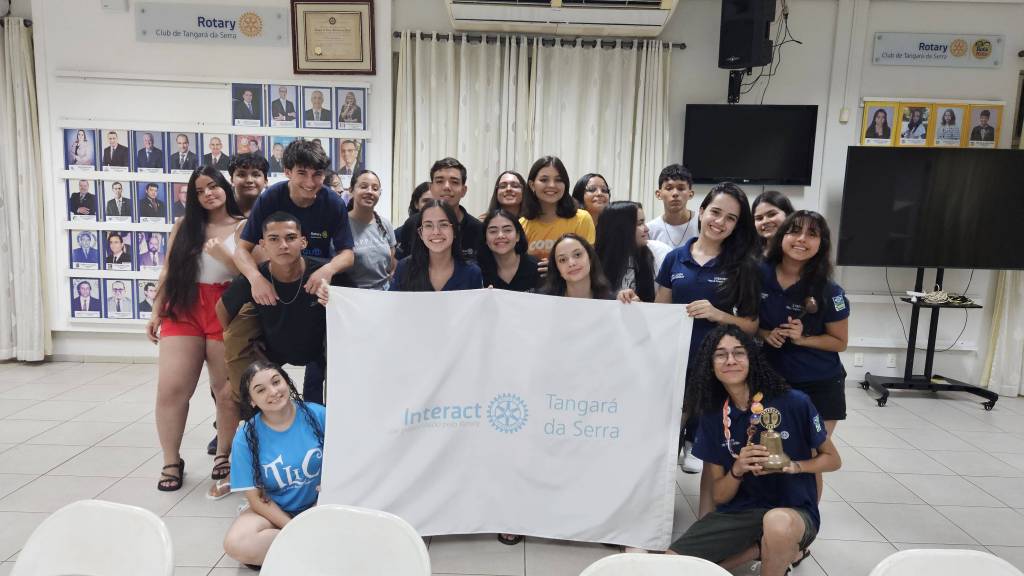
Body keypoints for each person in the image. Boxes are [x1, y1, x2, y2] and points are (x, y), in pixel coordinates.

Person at [665, 325, 841, 576]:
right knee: (671, 565)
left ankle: (777, 552)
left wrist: (794, 466)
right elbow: (720, 497)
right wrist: (737, 470)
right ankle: (758, 548)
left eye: (738, 353)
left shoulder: (794, 402)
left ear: (751, 358)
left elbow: (833, 459)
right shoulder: (713, 416)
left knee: (776, 523)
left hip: (793, 511)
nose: (730, 360)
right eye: (720, 354)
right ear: (710, 365)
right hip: (741, 512)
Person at [231, 140, 354, 405]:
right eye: (302, 173)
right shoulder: (271, 198)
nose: (310, 182)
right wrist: (256, 279)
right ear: (287, 171)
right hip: (275, 285)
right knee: (242, 349)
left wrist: (329, 268)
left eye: (317, 174)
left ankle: (321, 417)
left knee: (325, 360)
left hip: (314, 285)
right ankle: (246, 416)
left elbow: (348, 253)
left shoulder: (332, 202)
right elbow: (241, 250)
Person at [147, 166, 245, 496]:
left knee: (225, 390)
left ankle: (224, 455)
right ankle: (171, 460)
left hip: (225, 304)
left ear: (225, 187)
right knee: (171, 388)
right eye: (200, 190)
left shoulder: (243, 225)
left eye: (213, 186)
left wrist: (225, 255)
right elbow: (168, 270)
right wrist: (156, 311)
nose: (208, 194)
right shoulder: (183, 226)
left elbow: (249, 273)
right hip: (184, 303)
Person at [655, 182, 760, 480]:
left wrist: (718, 315)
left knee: (711, 454)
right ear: (701, 212)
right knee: (663, 443)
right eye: (715, 212)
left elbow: (752, 326)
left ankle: (707, 504)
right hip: (675, 363)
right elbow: (660, 311)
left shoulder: (742, 266)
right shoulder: (675, 258)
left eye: (731, 218)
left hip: (716, 369)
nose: (720, 222)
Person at [759, 211, 848, 499]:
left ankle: (805, 521)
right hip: (773, 381)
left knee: (809, 456)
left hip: (819, 385)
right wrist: (765, 333)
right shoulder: (758, 274)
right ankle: (769, 515)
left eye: (812, 234)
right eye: (794, 231)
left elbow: (840, 342)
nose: (801, 239)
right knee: (769, 450)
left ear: (821, 244)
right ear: (781, 236)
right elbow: (749, 321)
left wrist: (804, 338)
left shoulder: (829, 290)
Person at [218, 212, 347, 410]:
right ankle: (246, 426)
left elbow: (354, 309)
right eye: (274, 239)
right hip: (272, 347)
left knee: (343, 390)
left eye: (291, 238)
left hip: (319, 347)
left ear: (303, 242)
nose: (283, 245)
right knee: (229, 394)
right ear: (263, 244)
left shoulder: (325, 274)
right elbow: (222, 309)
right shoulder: (254, 279)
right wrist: (248, 342)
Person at [222, 361, 326, 569]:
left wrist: (324, 498)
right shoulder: (245, 437)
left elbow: (345, 462)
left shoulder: (318, 414)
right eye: (261, 390)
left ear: (287, 382)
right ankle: (317, 550)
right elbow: (256, 499)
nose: (273, 392)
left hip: (321, 505)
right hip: (277, 512)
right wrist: (293, 527)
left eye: (276, 382)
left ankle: (298, 554)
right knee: (236, 543)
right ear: (252, 401)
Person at [520, 156, 596, 271]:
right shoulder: (522, 224)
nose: (552, 185)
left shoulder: (581, 219)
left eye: (558, 180)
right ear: (532, 185)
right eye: (544, 180)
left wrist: (557, 267)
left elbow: (589, 262)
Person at [390, 200, 483, 292]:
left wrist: (488, 295)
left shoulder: (472, 273)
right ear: (420, 233)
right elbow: (393, 301)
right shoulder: (404, 268)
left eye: (443, 225)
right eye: (428, 225)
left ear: (454, 230)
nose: (436, 232)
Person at [597, 201, 666, 302]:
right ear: (621, 228)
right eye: (639, 224)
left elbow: (656, 305)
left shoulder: (656, 253)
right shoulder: (593, 260)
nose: (646, 229)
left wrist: (639, 304)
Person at [347, 169, 397, 290]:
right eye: (363, 187)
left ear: (380, 193)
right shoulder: (342, 224)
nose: (370, 192)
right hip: (352, 295)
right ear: (351, 191)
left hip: (383, 295)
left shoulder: (385, 224)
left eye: (375, 188)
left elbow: (391, 264)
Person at [429, 157, 483, 262]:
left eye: (454, 182)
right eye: (439, 181)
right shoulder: (414, 224)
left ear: (463, 190)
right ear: (431, 188)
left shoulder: (478, 230)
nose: (446, 187)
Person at [479, 209, 539, 292]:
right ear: (485, 238)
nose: (500, 235)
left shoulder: (538, 268)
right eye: (493, 231)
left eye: (507, 230)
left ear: (518, 236)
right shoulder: (477, 271)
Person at [540, 234, 611, 299]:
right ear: (557, 268)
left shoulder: (612, 302)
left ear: (590, 258)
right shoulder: (543, 300)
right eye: (563, 260)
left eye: (577, 255)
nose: (571, 263)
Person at [647, 164, 699, 249]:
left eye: (681, 188)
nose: (675, 193)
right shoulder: (650, 230)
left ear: (691, 194)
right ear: (658, 194)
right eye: (669, 188)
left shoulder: (702, 224)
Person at [394, 181, 433, 261]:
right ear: (416, 204)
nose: (430, 205)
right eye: (426, 201)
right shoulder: (399, 233)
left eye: (435, 201)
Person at [751, 191, 794, 256]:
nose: (765, 221)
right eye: (759, 218)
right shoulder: (750, 254)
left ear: (788, 214)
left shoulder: (799, 250)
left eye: (772, 214)